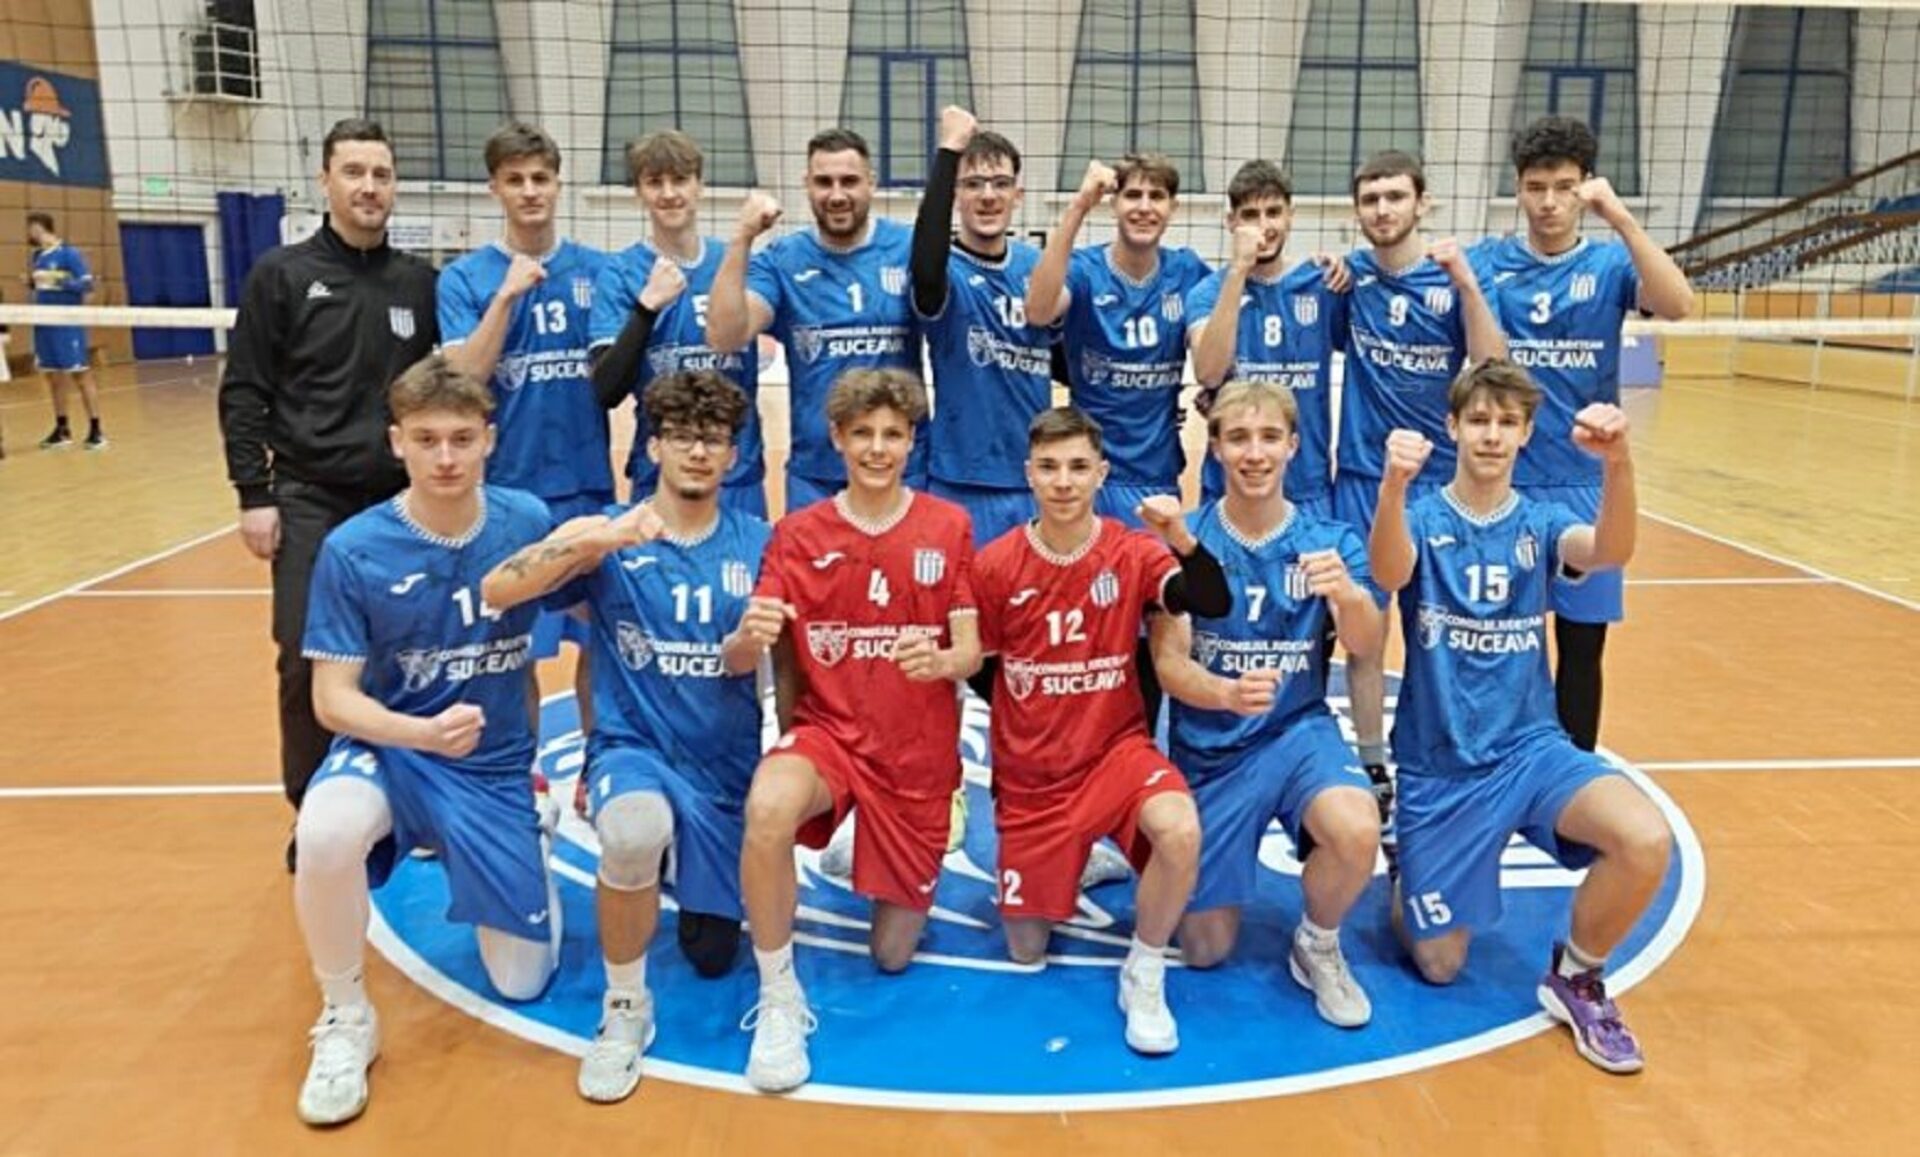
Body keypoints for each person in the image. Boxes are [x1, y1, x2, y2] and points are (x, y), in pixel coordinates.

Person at [1368, 358, 1673, 1074]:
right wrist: (1392, 485)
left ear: (1527, 433)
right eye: (1479, 419)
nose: (1492, 435)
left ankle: (1578, 975)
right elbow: (1387, 572)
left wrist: (1618, 463)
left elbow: (1610, 550)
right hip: (1442, 764)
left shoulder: (1541, 522)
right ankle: (1408, 862)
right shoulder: (1423, 517)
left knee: (1644, 838)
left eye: (1508, 423)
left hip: (1530, 751)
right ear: (1452, 426)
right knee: (1439, 962)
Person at [481, 369, 770, 1104]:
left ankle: (684, 858)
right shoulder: (608, 530)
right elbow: (498, 587)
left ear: (733, 454)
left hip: (724, 766)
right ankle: (623, 1007)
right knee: (635, 833)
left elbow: (780, 658)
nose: (698, 452)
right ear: (654, 446)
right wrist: (597, 541)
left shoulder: (759, 542)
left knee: (711, 953)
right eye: (683, 437)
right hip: (634, 749)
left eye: (713, 439)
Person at [290, 355, 562, 1125]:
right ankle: (345, 1014)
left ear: (489, 440)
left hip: (491, 765)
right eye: (426, 439)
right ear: (396, 442)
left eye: (462, 439)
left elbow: (560, 627)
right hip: (395, 745)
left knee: (521, 982)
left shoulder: (525, 522)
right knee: (324, 830)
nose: (445, 457)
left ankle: (528, 837)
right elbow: (332, 699)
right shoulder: (354, 547)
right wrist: (422, 732)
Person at [734, 368, 979, 1093]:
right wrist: (775, 705)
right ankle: (778, 992)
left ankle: (875, 839)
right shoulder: (797, 533)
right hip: (831, 738)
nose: (878, 448)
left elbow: (970, 651)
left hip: (915, 756)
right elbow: (773, 648)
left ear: (911, 441)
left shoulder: (948, 525)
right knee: (769, 805)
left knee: (892, 955)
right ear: (837, 438)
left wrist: (942, 661)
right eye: (863, 433)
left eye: (893, 434)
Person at [218, 118, 441, 869]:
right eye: (354, 172)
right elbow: (243, 390)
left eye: (381, 174)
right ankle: (315, 812)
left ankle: (404, 804)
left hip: (398, 501)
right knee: (303, 654)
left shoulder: (418, 282)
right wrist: (254, 492)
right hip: (310, 497)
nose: (369, 187)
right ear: (325, 181)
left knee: (409, 653)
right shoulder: (282, 275)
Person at [970, 406, 1223, 1054]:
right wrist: (1032, 715)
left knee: (1180, 829)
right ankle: (1074, 855)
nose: (1064, 481)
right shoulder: (995, 564)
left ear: (1102, 473)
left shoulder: (1131, 550)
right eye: (1050, 467)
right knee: (1026, 948)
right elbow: (980, 668)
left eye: (1078, 467)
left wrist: (1180, 536)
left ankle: (1143, 967)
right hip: (1034, 777)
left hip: (1115, 753)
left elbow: (1210, 598)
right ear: (1028, 473)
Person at [1149, 381, 1386, 1027]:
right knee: (1205, 948)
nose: (1255, 453)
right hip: (1212, 748)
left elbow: (1366, 646)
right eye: (1238, 438)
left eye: (1269, 437)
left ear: (1293, 445)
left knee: (1356, 828)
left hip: (1296, 733)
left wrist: (1349, 596)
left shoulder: (1330, 539)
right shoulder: (1185, 540)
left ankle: (1318, 942)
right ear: (1215, 448)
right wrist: (1224, 692)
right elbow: (1169, 665)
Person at [1476, 115, 1694, 752]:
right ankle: (1502, 765)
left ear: (1585, 188)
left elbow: (1679, 304)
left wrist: (1621, 218)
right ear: (1518, 189)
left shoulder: (1609, 263)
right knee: (1502, 645)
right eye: (1536, 187)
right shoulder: (1490, 262)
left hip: (1583, 485)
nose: (1549, 202)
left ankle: (1574, 774)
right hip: (1507, 483)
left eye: (1564, 187)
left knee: (1581, 646)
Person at [1335, 150, 1507, 824]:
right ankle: (1372, 764)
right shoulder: (1347, 280)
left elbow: (1493, 367)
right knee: (1364, 635)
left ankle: (1443, 759)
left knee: (1441, 634)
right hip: (1362, 482)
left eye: (1395, 197)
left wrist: (1467, 285)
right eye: (1370, 199)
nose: (1382, 210)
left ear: (1422, 203)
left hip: (1438, 488)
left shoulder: (1449, 278)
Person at [438, 121, 611, 719]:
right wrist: (507, 296)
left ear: (559, 184)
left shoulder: (598, 271)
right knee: (513, 654)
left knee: (600, 642)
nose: (530, 191)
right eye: (515, 180)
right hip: (507, 492)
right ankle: (523, 768)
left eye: (541, 178)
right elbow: (463, 383)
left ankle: (599, 760)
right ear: (495, 188)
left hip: (587, 485)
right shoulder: (465, 279)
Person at [705, 128, 925, 510]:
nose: (837, 195)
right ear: (807, 185)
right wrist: (742, 237)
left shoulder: (909, 249)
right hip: (816, 476)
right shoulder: (782, 260)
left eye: (849, 181)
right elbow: (724, 336)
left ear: (872, 183)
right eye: (824, 182)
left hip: (901, 471)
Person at [1025, 153, 1208, 528]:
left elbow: (1236, 312)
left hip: (1156, 478)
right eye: (1133, 195)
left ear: (1173, 208)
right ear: (1113, 204)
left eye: (1156, 196)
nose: (1144, 207)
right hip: (1087, 478)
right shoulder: (1084, 270)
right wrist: (1079, 205)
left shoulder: (1187, 271)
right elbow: (1038, 311)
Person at [590, 129, 768, 514]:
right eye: (655, 182)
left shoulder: (736, 261)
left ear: (699, 185)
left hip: (737, 475)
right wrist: (646, 308)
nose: (669, 193)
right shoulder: (621, 273)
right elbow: (605, 391)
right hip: (659, 475)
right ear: (639, 192)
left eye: (680, 179)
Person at [910, 105, 1055, 548]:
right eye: (973, 184)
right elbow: (926, 270)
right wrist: (949, 150)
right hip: (961, 482)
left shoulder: (1037, 268)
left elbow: (1074, 358)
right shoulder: (945, 270)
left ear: (1018, 195)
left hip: (1036, 480)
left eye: (1000, 183)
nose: (988, 196)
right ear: (955, 195)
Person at [1185, 161, 1347, 510]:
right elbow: (1209, 373)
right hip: (1228, 488)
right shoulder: (1207, 292)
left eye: (1273, 212)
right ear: (1231, 222)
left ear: (1290, 216)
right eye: (1250, 215)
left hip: (1306, 487)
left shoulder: (1323, 284)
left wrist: (1346, 267)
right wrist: (1239, 270)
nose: (1263, 226)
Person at [25, 212, 104, 449]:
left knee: (80, 374)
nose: (28, 233)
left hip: (67, 323)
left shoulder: (69, 253)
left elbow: (87, 285)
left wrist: (58, 280)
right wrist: (32, 283)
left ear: (39, 227)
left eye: (30, 228)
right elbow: (43, 288)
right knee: (54, 376)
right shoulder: (37, 256)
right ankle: (62, 430)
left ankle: (96, 431)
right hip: (44, 323)